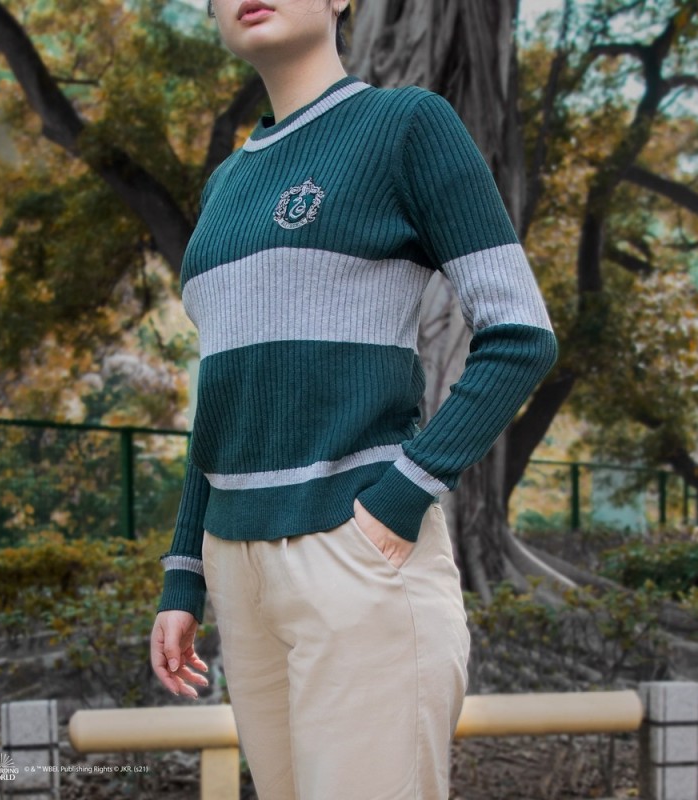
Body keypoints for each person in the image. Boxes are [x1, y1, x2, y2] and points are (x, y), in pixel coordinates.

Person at [150, 1, 557, 797]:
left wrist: (398, 499)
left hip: (356, 553)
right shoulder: (226, 183)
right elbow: (223, 396)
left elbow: (521, 334)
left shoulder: (405, 125)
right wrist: (184, 575)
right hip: (238, 571)